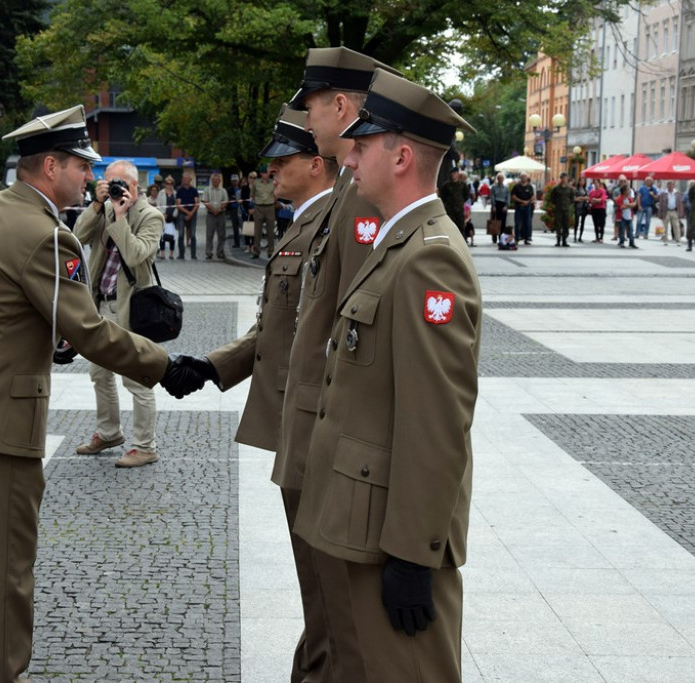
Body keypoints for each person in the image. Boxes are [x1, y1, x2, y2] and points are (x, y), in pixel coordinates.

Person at [0, 104, 201, 683]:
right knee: (2, 573)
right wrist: (165, 366)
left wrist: (39, 340)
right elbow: (91, 330)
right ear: (51, 166)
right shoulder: (47, 235)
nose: (90, 179)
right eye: (81, 166)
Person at [292, 67, 482, 683]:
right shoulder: (397, 246)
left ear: (401, 156)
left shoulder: (430, 261)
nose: (349, 159)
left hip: (386, 539)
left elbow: (436, 424)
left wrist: (412, 554)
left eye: (364, 145)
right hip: (355, 522)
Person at [171, 107, 339, 679]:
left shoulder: (335, 225)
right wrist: (211, 365)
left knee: (324, 582)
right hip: (295, 419)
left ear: (317, 165)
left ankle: (319, 667)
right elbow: (278, 322)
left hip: (316, 424)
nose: (271, 172)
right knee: (312, 577)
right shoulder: (302, 222)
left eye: (283, 162)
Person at [277, 45, 397, 681]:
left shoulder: (361, 196)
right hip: (317, 423)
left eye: (313, 108)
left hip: (335, 431)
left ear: (343, 106)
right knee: (322, 603)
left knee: (339, 614)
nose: (309, 122)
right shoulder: (351, 187)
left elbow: (354, 329)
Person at [73, 158, 163, 468]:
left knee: (136, 378)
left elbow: (137, 253)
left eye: (119, 183)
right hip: (99, 304)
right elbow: (77, 236)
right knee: (99, 373)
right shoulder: (104, 208)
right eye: (108, 183)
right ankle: (109, 432)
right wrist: (97, 206)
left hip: (129, 308)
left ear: (134, 187)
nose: (113, 189)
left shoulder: (151, 216)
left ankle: (145, 445)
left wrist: (121, 217)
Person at [202, 171, 229, 259]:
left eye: (217, 180)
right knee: (209, 235)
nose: (215, 182)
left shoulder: (223, 190)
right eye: (213, 180)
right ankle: (209, 253)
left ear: (220, 181)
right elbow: (205, 202)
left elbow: (225, 202)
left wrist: (220, 209)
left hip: (221, 214)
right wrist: (213, 210)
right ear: (211, 180)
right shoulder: (207, 190)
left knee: (221, 235)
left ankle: (220, 252)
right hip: (210, 215)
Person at [251, 165, 277, 258]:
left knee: (271, 231)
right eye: (265, 172)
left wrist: (273, 201)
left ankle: (271, 251)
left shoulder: (273, 182)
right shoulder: (256, 183)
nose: (267, 174)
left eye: (268, 172)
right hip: (259, 207)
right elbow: (252, 195)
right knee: (257, 231)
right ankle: (256, 251)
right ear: (261, 174)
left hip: (270, 207)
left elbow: (276, 193)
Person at [175, 170, 200, 259]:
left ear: (190, 180)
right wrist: (187, 213)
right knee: (181, 234)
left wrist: (191, 213)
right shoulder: (179, 191)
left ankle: (193, 254)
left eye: (187, 178)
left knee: (193, 234)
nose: (185, 180)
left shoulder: (194, 190)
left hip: (193, 214)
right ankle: (181, 254)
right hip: (182, 214)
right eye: (184, 178)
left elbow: (197, 203)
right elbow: (178, 204)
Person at [550, 172, 575, 247]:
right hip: (558, 209)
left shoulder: (570, 189)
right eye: (564, 178)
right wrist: (557, 204)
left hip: (566, 209)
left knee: (565, 225)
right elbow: (552, 198)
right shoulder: (556, 188)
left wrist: (567, 204)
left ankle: (564, 240)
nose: (566, 179)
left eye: (566, 178)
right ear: (561, 178)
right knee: (558, 225)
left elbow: (572, 199)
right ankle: (558, 240)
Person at [439, 166, 466, 233]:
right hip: (450, 209)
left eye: (454, 173)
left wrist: (460, 202)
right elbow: (442, 196)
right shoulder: (446, 185)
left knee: (460, 227)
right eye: (452, 173)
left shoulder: (463, 185)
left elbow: (466, 195)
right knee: (450, 226)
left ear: (457, 174)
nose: (453, 175)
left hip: (459, 209)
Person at [511, 173, 535, 245]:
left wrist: (528, 201)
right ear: (520, 178)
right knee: (517, 223)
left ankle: (526, 238)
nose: (524, 178)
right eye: (522, 177)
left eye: (525, 177)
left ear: (527, 178)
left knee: (527, 223)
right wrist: (522, 201)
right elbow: (513, 197)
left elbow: (533, 197)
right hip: (519, 207)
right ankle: (517, 238)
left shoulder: (530, 187)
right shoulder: (516, 187)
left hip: (527, 207)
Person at [658, 180, 684, 245]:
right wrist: (660, 214)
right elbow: (661, 204)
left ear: (673, 185)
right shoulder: (663, 194)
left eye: (671, 184)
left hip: (674, 211)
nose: (670, 186)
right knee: (665, 226)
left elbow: (680, 203)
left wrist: (681, 213)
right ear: (667, 185)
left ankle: (678, 240)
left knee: (676, 226)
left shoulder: (677, 193)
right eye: (669, 184)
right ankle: (665, 240)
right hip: (666, 211)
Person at [159, 175, 178, 258]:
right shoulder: (161, 193)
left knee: (172, 236)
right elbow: (158, 204)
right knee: (162, 236)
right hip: (164, 216)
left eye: (171, 183)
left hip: (172, 216)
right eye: (167, 183)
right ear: (165, 184)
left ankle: (171, 253)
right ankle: (162, 253)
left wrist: (175, 213)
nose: (169, 185)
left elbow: (178, 205)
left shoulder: (175, 193)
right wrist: (162, 213)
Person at [489, 173, 509, 246]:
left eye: (502, 178)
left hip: (503, 205)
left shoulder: (506, 187)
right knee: (495, 221)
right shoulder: (494, 187)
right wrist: (493, 206)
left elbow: (508, 197)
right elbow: (492, 196)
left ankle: (501, 237)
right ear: (497, 179)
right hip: (496, 204)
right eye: (499, 178)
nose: (500, 179)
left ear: (503, 179)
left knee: (503, 222)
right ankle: (494, 237)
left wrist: (506, 206)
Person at [227, 173, 243, 247]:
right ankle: (237, 243)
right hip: (233, 209)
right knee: (235, 227)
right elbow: (228, 199)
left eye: (236, 181)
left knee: (242, 225)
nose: (235, 182)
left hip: (241, 209)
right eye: (233, 181)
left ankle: (245, 242)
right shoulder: (229, 189)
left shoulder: (241, 188)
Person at [573, 176, 589, 242]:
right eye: (581, 181)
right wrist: (583, 198)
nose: (582, 182)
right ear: (579, 181)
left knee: (583, 223)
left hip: (584, 207)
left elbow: (587, 198)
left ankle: (580, 237)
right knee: (576, 222)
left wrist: (581, 198)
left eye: (583, 181)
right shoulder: (576, 189)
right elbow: (575, 198)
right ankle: (575, 236)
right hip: (577, 207)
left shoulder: (585, 190)